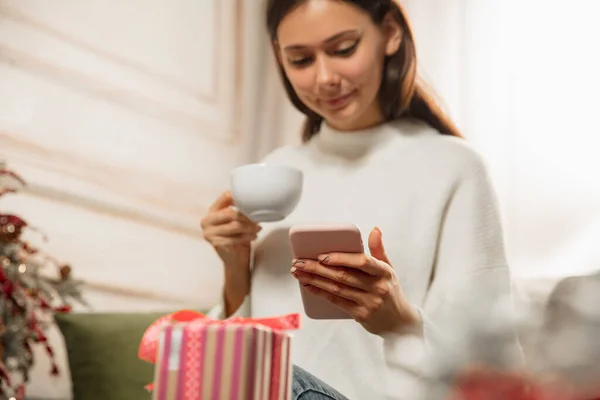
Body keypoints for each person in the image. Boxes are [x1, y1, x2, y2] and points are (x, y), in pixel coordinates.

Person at [201, 0, 522, 398]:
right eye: (301, 60)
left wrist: (399, 320)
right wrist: (235, 265)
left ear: (390, 34)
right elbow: (237, 357)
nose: (324, 79)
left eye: (343, 49)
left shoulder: (453, 167)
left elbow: (492, 369)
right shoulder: (274, 172)